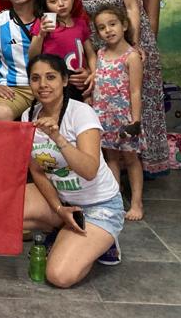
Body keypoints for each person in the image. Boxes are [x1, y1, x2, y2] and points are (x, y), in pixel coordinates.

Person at [63, 0, 175, 175]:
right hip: (100, 47)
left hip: (131, 37)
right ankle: (113, 169)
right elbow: (75, 17)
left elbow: (133, 6)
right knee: (111, 103)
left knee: (140, 100)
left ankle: (145, 167)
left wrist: (133, 45)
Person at [22, 54, 125, 287]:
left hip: (100, 206)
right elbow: (37, 171)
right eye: (35, 78)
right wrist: (59, 209)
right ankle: (63, 228)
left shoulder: (81, 113)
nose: (43, 84)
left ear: (65, 80)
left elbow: (89, 170)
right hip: (64, 200)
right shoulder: (29, 115)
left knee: (59, 276)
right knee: (7, 210)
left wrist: (58, 138)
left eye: (51, 77)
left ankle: (104, 241)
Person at [93, 6, 145, 221]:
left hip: (124, 118)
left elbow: (135, 91)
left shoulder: (131, 57)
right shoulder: (100, 53)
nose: (108, 30)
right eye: (102, 27)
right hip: (104, 117)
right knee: (111, 158)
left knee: (131, 159)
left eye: (112, 24)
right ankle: (114, 200)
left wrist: (135, 121)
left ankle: (136, 202)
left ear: (124, 25)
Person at [29, 0, 95, 102]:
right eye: (53, 1)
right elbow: (32, 56)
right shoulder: (43, 23)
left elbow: (90, 54)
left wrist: (93, 73)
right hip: (54, 85)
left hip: (79, 84)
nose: (61, 4)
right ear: (46, 5)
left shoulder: (81, 23)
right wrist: (41, 35)